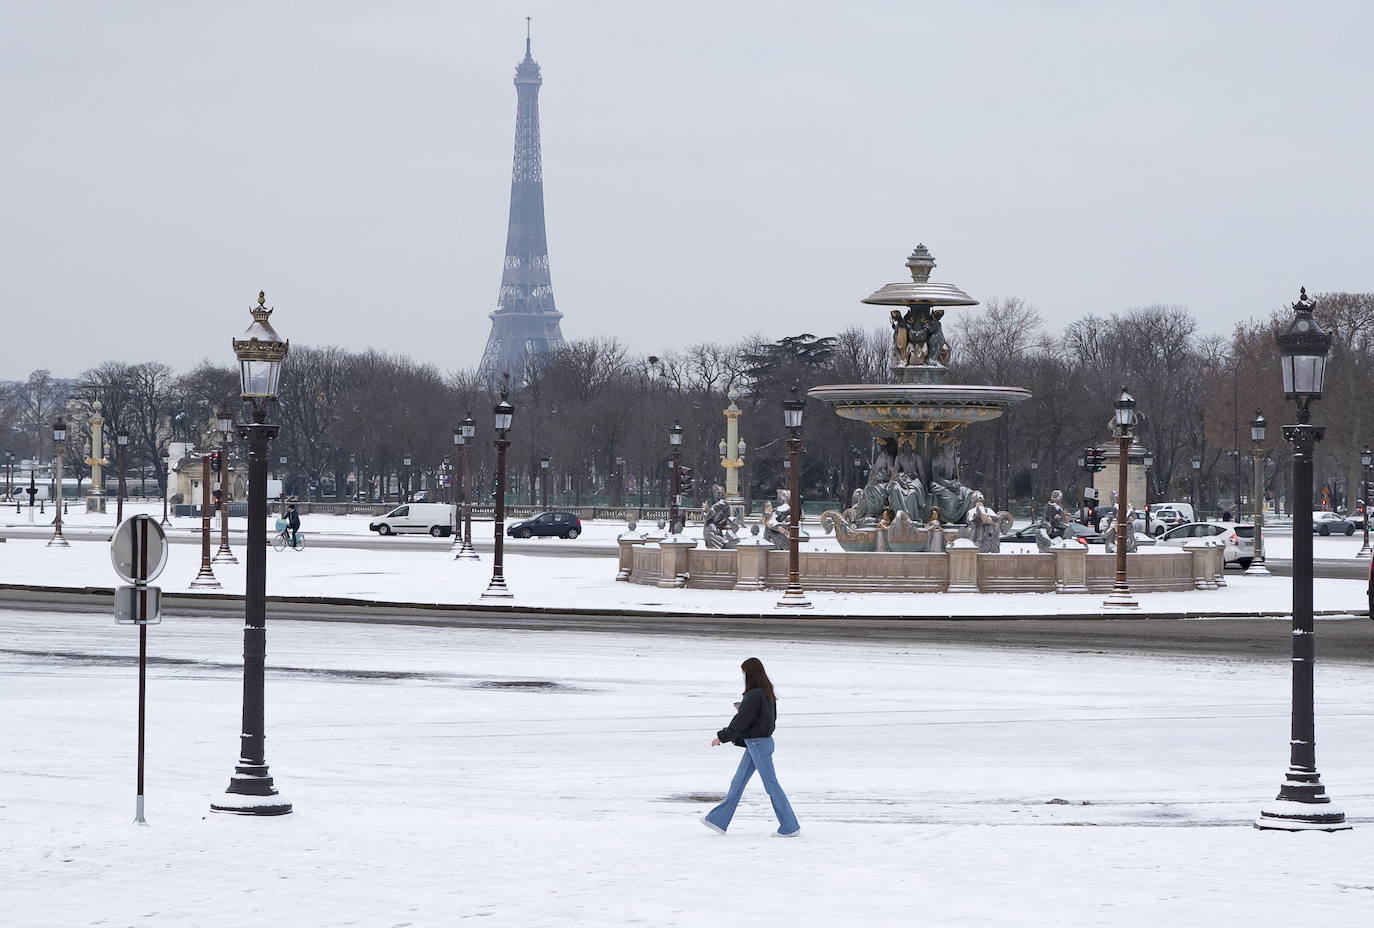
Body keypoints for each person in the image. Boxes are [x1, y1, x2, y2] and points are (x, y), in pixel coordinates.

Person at [701, 658, 800, 837]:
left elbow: (741, 722)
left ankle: (789, 826)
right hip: (759, 743)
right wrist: (744, 709)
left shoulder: (754, 695)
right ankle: (718, 820)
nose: (744, 677)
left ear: (750, 674)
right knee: (737, 783)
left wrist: (721, 737)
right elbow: (765, 718)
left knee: (771, 785)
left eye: (744, 673)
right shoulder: (766, 692)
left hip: (758, 744)